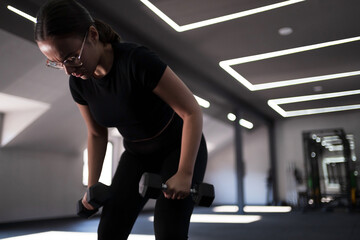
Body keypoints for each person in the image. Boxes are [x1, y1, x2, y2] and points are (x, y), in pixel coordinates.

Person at [34, 0, 208, 239]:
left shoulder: (136, 61)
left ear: (93, 35)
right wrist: (92, 187)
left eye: (72, 57)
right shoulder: (79, 83)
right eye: (57, 62)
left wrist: (185, 173)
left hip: (178, 147)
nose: (68, 69)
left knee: (169, 231)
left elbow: (192, 112)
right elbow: (96, 133)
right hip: (137, 154)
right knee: (109, 231)